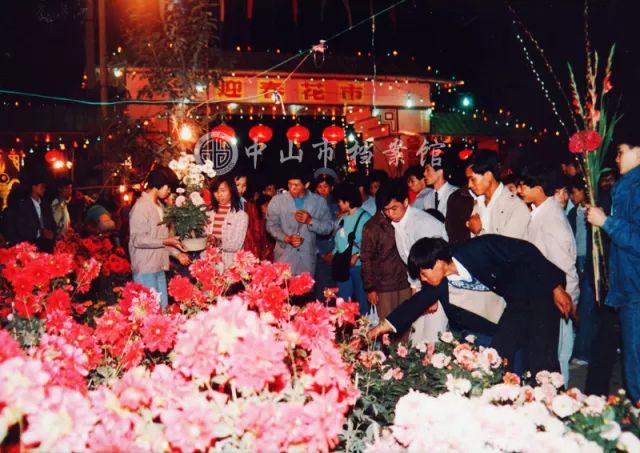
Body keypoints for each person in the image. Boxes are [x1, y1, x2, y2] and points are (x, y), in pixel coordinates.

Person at [368, 236, 574, 375]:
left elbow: (526, 251)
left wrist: (556, 287)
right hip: (515, 302)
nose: (422, 279)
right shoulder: (440, 281)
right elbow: (413, 305)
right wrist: (376, 330)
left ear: (439, 263)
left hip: (540, 289)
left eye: (423, 273)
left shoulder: (478, 249)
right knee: (497, 356)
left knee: (542, 363)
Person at [587, 139, 640, 405]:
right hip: (628, 287)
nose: (616, 159)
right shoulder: (627, 185)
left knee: (636, 372)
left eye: (620, 152)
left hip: (636, 289)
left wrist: (606, 222)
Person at [517, 165, 579, 385]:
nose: (520, 190)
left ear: (540, 188)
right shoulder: (539, 212)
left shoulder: (551, 219)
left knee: (557, 359)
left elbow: (564, 266)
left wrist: (570, 299)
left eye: (525, 185)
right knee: (547, 358)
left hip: (557, 301)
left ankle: (562, 404)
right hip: (543, 299)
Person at [377, 179, 448, 344]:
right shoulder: (398, 225)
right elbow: (411, 263)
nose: (390, 214)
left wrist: (433, 297)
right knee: (416, 339)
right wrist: (414, 287)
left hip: (437, 287)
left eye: (394, 208)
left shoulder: (423, 223)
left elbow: (438, 265)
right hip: (423, 288)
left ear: (406, 202)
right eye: (386, 210)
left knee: (433, 340)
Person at [129, 167, 189, 309]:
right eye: (168, 188)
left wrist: (177, 254)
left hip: (159, 266)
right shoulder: (141, 207)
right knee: (151, 313)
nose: (169, 192)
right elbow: (137, 240)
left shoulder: (158, 206)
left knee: (163, 311)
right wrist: (164, 241)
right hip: (145, 269)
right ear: (160, 184)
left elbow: (162, 238)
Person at [360, 182, 412, 343]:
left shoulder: (405, 219)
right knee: (387, 332)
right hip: (383, 286)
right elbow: (366, 259)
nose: (391, 212)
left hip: (405, 281)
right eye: (387, 208)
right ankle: (389, 364)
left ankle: (404, 364)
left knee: (406, 327)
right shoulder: (372, 226)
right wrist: (370, 288)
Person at [266, 168, 333, 276]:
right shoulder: (277, 201)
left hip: (307, 260)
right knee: (282, 291)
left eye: (296, 185)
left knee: (306, 292)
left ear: (306, 185)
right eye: (290, 184)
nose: (292, 188)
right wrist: (286, 238)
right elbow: (271, 226)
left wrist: (311, 221)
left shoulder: (319, 202)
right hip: (284, 257)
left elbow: (328, 227)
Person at [465, 149, 530, 240]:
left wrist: (479, 231)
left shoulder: (515, 207)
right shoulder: (478, 203)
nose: (469, 185)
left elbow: (506, 249)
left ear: (488, 175)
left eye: (473, 179)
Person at [566, 177, 597, 365]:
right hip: (577, 259)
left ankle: (583, 352)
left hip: (588, 260)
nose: (571, 196)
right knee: (580, 303)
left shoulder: (591, 212)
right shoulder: (573, 213)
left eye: (574, 192)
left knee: (586, 305)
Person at [330, 182, 371, 314]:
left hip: (359, 266)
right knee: (342, 303)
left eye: (340, 201)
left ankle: (364, 330)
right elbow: (337, 241)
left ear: (348, 201)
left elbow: (372, 244)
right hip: (343, 266)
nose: (338, 204)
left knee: (362, 302)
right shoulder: (341, 219)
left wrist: (357, 255)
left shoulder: (365, 218)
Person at [5, 173, 56, 252]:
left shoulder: (46, 206)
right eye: (42, 186)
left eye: (45, 187)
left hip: (46, 248)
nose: (44, 189)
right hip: (29, 248)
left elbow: (52, 224)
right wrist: (40, 233)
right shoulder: (23, 206)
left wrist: (52, 233)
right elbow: (20, 228)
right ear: (34, 187)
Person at [206, 176, 249, 269]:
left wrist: (217, 241)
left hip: (231, 265)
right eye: (216, 191)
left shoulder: (241, 216)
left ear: (231, 191)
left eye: (223, 190)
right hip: (210, 264)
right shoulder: (208, 214)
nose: (219, 194)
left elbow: (236, 244)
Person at [312, 171, 339, 300]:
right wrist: (320, 253)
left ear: (331, 188)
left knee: (332, 292)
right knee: (320, 292)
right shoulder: (311, 207)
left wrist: (334, 252)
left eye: (326, 187)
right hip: (317, 255)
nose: (322, 190)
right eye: (320, 187)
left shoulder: (337, 207)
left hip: (334, 254)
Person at [233, 171, 262, 258]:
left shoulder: (250, 206)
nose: (241, 189)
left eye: (244, 185)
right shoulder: (224, 205)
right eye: (238, 185)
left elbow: (257, 232)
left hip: (247, 251)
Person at [422, 151, 458, 217]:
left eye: (428, 169)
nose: (424, 173)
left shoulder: (455, 194)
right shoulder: (427, 198)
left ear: (440, 171)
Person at [255, 194, 275, 261]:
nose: (268, 208)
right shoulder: (258, 221)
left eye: (270, 206)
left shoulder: (273, 220)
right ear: (259, 207)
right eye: (265, 206)